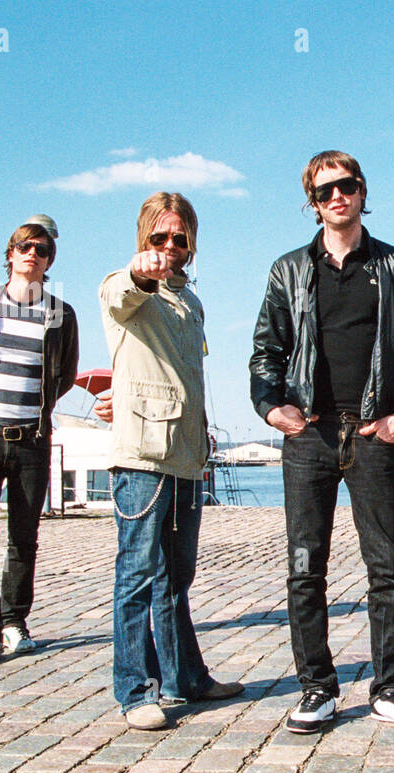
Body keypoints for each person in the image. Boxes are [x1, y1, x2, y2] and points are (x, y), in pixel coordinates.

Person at [251, 151, 394, 734]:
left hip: (372, 433)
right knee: (306, 567)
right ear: (312, 201)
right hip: (309, 435)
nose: (338, 196)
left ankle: (389, 688)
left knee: (387, 567)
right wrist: (271, 406)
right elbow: (266, 351)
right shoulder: (288, 270)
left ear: (362, 191)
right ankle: (317, 688)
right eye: (325, 189)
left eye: (348, 185)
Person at [99, 192, 242, 730]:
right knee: (136, 574)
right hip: (142, 457)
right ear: (143, 240)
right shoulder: (126, 287)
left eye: (179, 238)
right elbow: (119, 294)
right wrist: (140, 271)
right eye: (159, 238)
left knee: (177, 577)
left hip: (186, 456)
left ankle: (187, 678)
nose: (169, 247)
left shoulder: (192, 303)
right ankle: (136, 690)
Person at [0, 215, 78, 665]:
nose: (32, 254)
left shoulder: (61, 314)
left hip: (31, 438)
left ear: (49, 261)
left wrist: (32, 408)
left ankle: (14, 624)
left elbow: (63, 375)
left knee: (25, 537)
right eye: (25, 246)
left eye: (41, 250)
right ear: (10, 254)